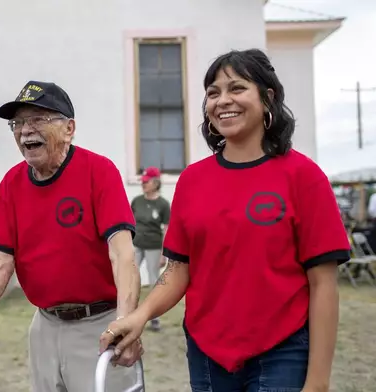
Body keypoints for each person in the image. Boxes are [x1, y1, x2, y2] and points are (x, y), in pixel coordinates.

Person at [98, 49, 351, 392]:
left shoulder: (303, 176)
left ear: (268, 97)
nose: (222, 100)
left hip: (282, 351)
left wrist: (318, 381)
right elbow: (179, 269)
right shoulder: (192, 180)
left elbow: (323, 285)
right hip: (206, 354)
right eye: (213, 92)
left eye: (236, 88)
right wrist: (140, 315)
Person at [0, 80, 143, 391]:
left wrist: (126, 323)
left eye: (38, 119)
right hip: (44, 325)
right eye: (18, 122)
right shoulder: (11, 185)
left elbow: (122, 253)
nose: (25, 130)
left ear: (69, 129)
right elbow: (0, 262)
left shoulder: (98, 171)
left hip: (101, 323)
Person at [130, 166, 170, 332]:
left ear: (156, 183)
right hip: (136, 244)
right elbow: (130, 222)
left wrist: (164, 253)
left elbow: (167, 229)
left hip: (154, 246)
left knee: (154, 281)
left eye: (147, 182)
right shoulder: (137, 201)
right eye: (143, 182)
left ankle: (155, 319)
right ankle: (128, 315)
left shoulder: (163, 205)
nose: (143, 185)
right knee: (130, 278)